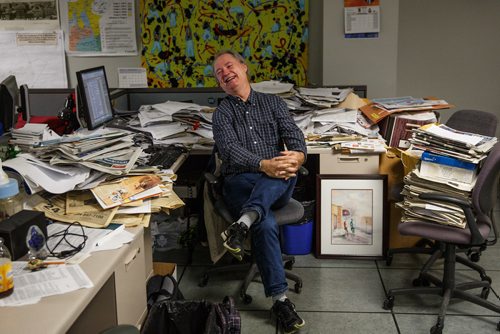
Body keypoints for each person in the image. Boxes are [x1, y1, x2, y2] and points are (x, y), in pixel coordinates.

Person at [212, 50, 307, 334]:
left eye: (229, 66)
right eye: (219, 73)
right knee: (264, 222)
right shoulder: (222, 112)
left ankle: (241, 224)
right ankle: (281, 301)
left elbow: (294, 137)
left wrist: (298, 157)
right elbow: (229, 151)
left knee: (284, 169)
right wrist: (262, 164)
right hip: (241, 181)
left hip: (279, 179)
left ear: (244, 67)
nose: (226, 73)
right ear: (220, 84)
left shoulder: (273, 103)